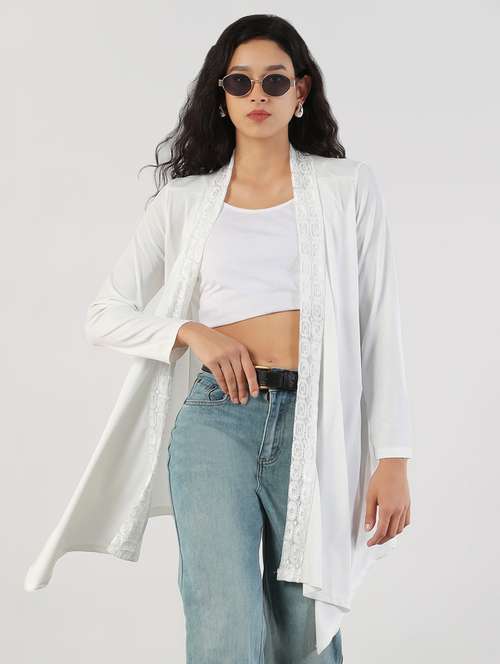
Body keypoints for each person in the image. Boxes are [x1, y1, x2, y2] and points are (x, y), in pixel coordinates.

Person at [24, 14, 413, 664]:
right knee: (223, 619)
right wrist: (189, 331)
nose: (257, 94)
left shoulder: (347, 188)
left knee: (304, 627)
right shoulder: (184, 201)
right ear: (222, 95)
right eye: (240, 81)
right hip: (214, 422)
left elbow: (379, 324)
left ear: (301, 91)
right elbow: (104, 313)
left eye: (274, 80)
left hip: (317, 426)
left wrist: (393, 456)